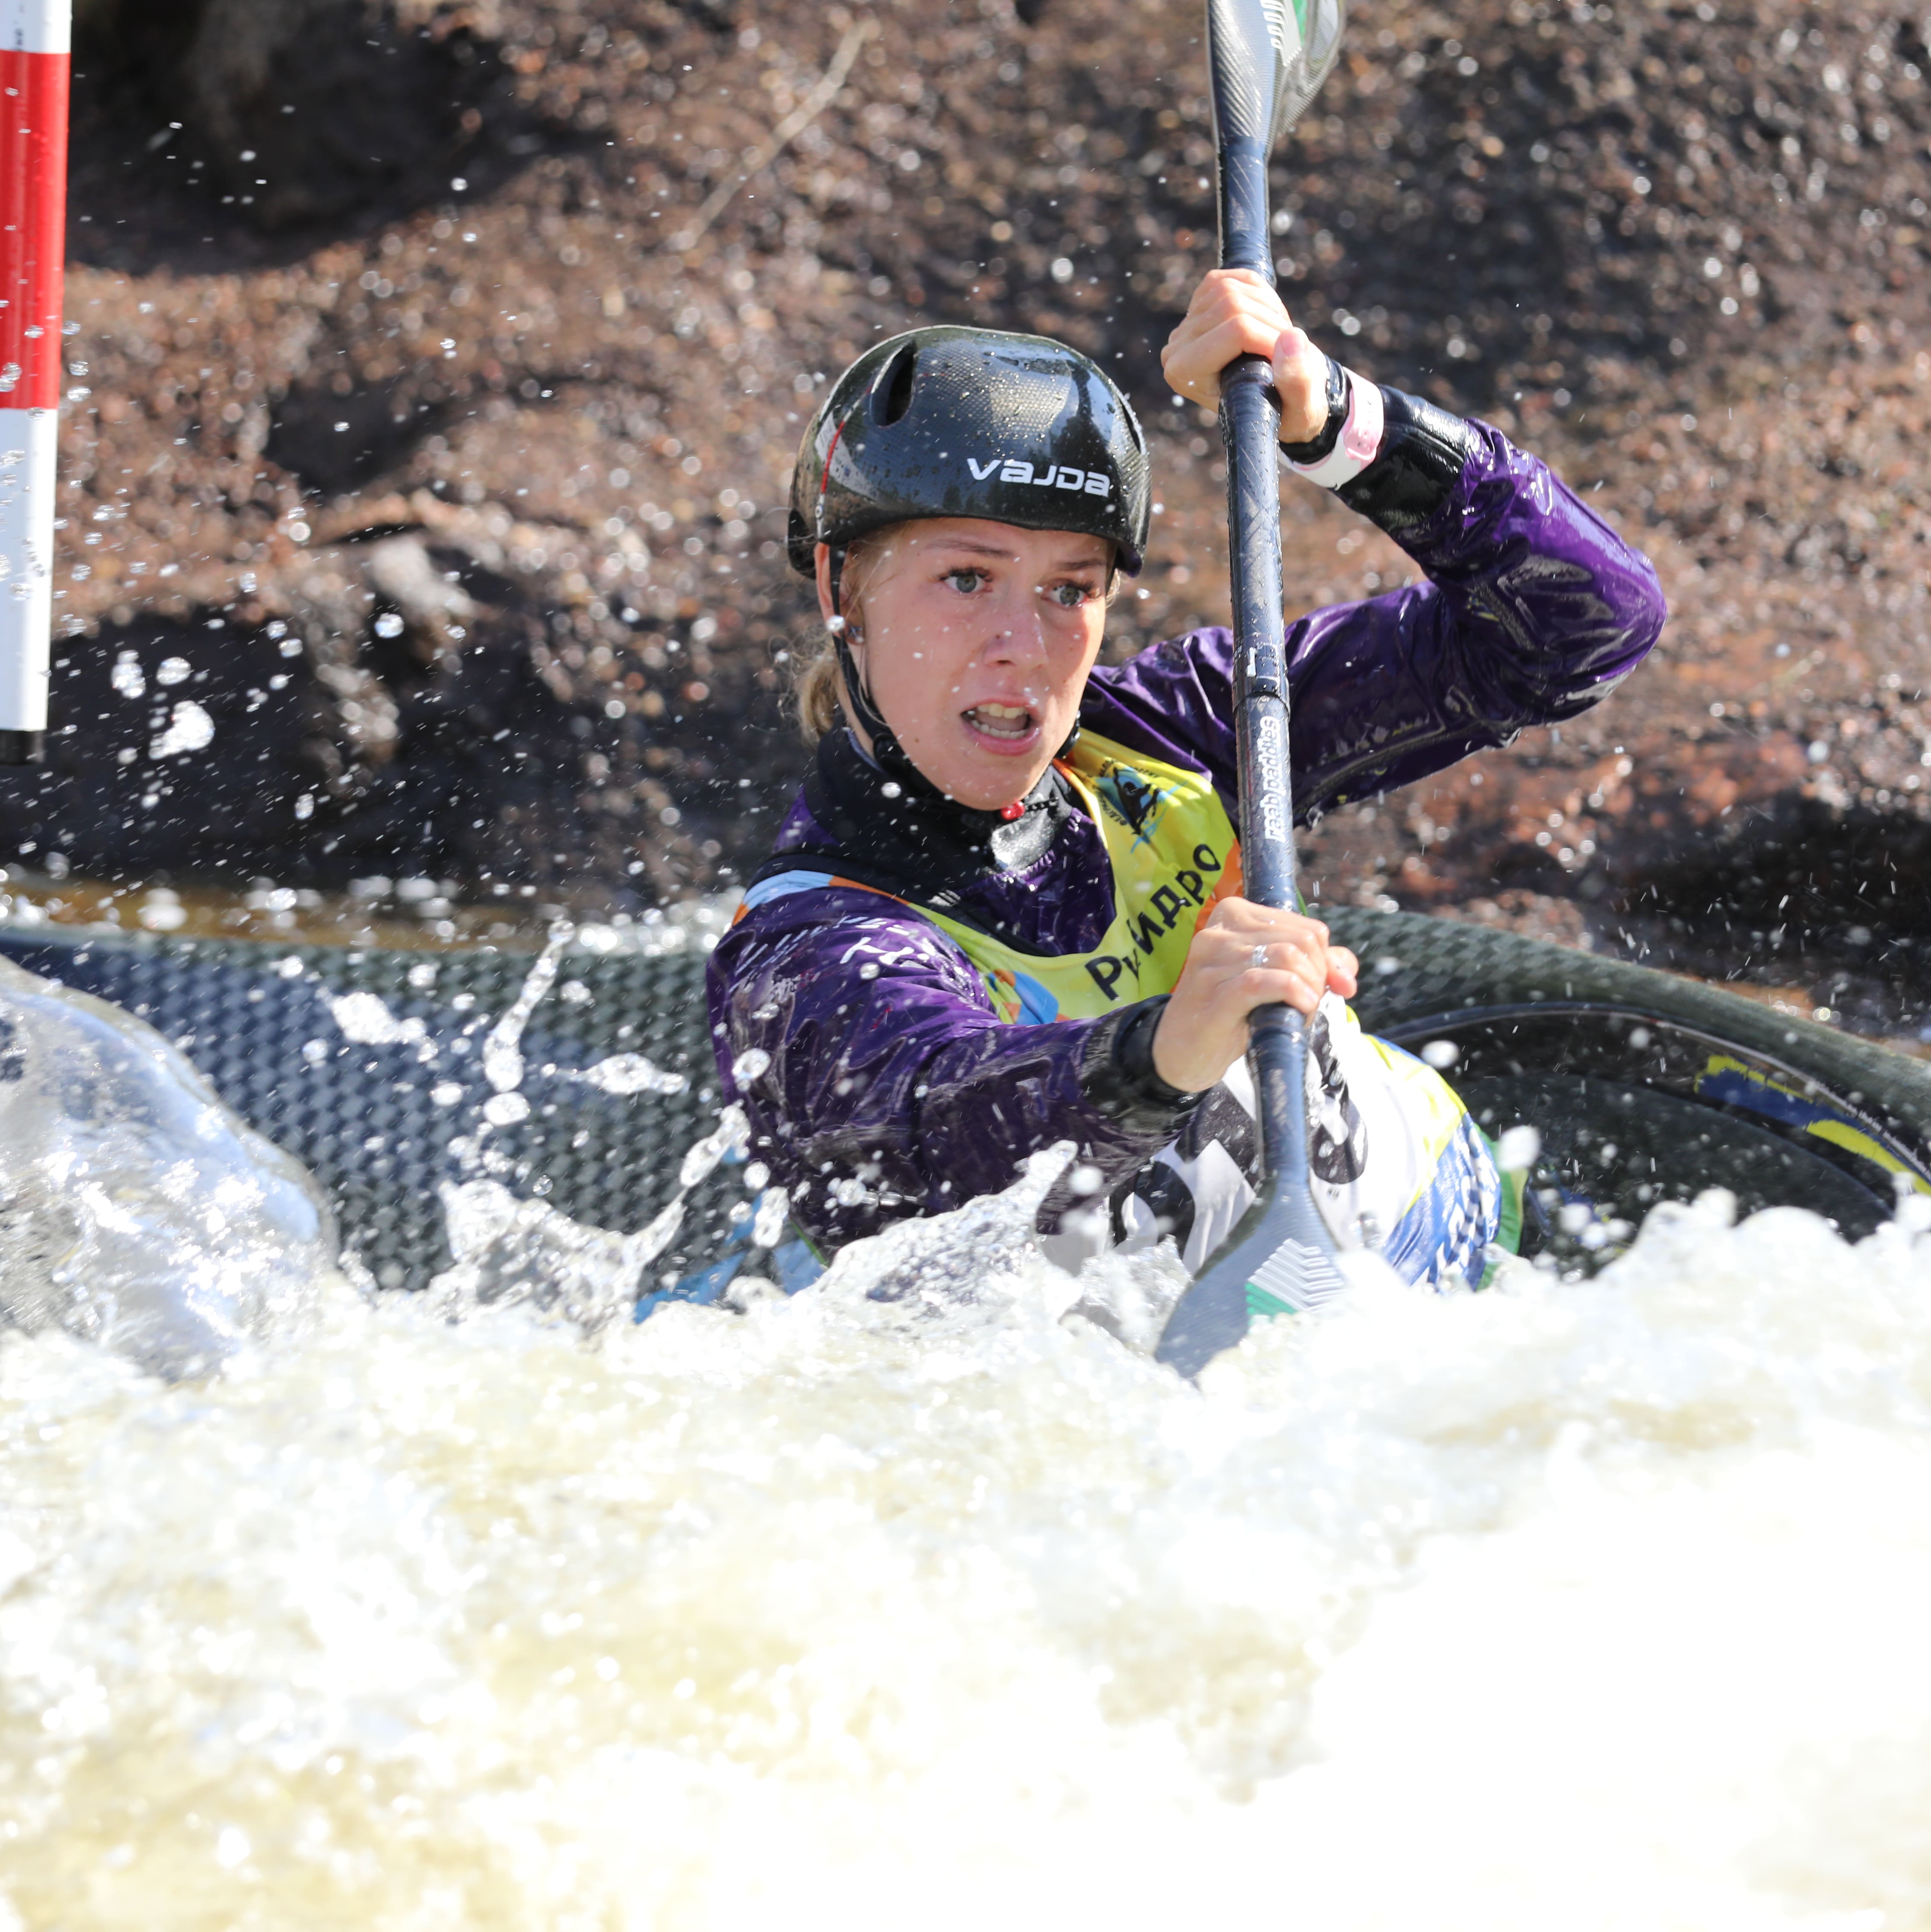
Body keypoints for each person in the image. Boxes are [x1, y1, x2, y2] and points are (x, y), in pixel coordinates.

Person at [706, 272, 1664, 1292]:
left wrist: (1345, 424)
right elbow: (932, 1142)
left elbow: (1583, 623)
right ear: (840, 584)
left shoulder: (1179, 728)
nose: (1022, 645)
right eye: (968, 578)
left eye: (1070, 589)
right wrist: (1159, 1053)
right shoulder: (807, 951)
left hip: (1476, 1275)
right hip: (1202, 1364)